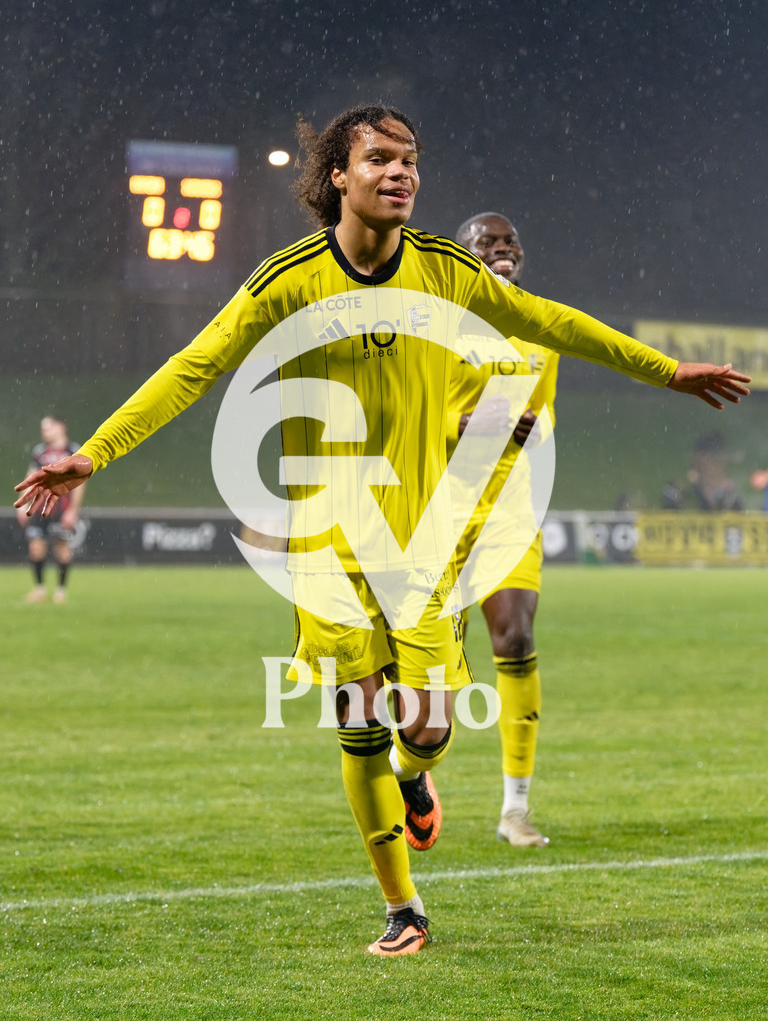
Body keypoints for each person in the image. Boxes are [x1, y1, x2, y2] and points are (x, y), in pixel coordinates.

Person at [14, 105, 750, 956]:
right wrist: (95, 454)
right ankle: (405, 910)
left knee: (427, 727)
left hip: (426, 547)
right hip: (329, 548)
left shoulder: (444, 271)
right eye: (381, 159)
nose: (402, 173)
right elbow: (196, 367)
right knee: (357, 723)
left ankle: (417, 777)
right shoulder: (286, 280)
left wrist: (666, 373)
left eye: (410, 161)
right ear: (338, 176)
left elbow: (550, 323)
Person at [449, 213, 555, 848]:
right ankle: (412, 773)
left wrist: (527, 429)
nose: (502, 248)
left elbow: (539, 422)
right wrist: (460, 426)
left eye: (510, 240)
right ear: (461, 256)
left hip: (511, 510)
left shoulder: (539, 328)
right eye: (486, 241)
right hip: (436, 512)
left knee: (514, 640)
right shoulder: (435, 327)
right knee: (427, 682)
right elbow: (411, 416)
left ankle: (515, 808)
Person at [16, 415, 85, 604]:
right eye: (43, 428)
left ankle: (61, 592)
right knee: (36, 547)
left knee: (62, 548)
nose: (44, 431)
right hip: (39, 508)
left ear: (61, 427)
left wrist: (72, 510)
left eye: (48, 427)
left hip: (61, 508)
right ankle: (40, 590)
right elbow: (31, 477)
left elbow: (79, 483)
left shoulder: (74, 451)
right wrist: (23, 505)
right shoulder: (40, 452)